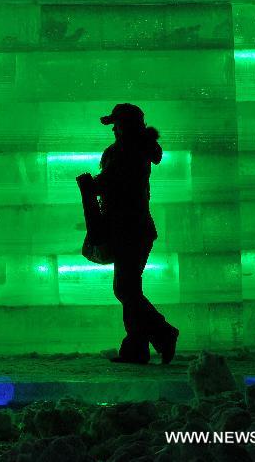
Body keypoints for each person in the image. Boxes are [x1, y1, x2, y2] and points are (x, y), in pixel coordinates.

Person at [78, 103, 179, 365]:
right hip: (135, 229)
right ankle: (137, 348)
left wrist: (91, 185)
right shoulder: (136, 150)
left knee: (125, 289)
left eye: (117, 124)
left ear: (125, 126)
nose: (114, 129)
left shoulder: (126, 151)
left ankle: (163, 333)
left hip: (128, 229)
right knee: (129, 288)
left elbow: (112, 184)